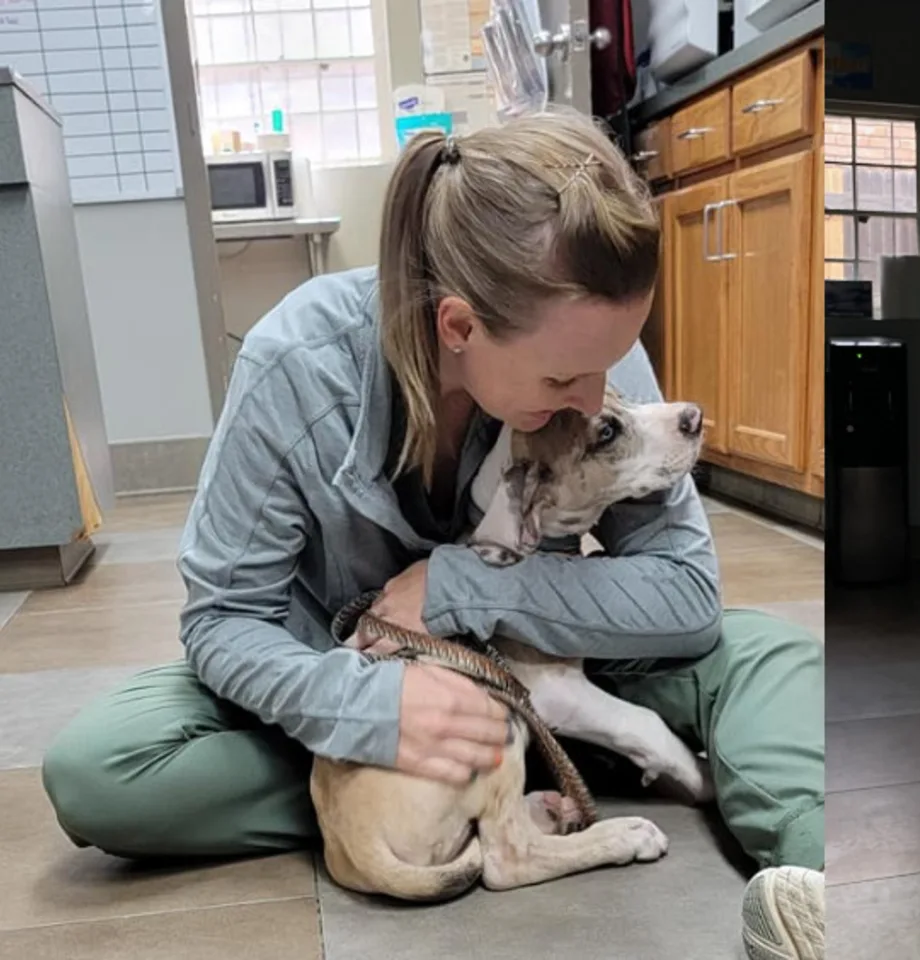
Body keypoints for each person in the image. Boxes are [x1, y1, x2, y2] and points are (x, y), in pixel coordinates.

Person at [39, 107, 824, 960]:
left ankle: (814, 889)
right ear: (458, 326)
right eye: (565, 376)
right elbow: (223, 620)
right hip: (347, 678)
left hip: (555, 670)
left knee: (770, 658)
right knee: (101, 768)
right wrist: (368, 712)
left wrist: (463, 585)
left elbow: (688, 596)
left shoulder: (592, 347)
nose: (600, 398)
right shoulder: (297, 367)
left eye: (615, 363)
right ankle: (444, 789)